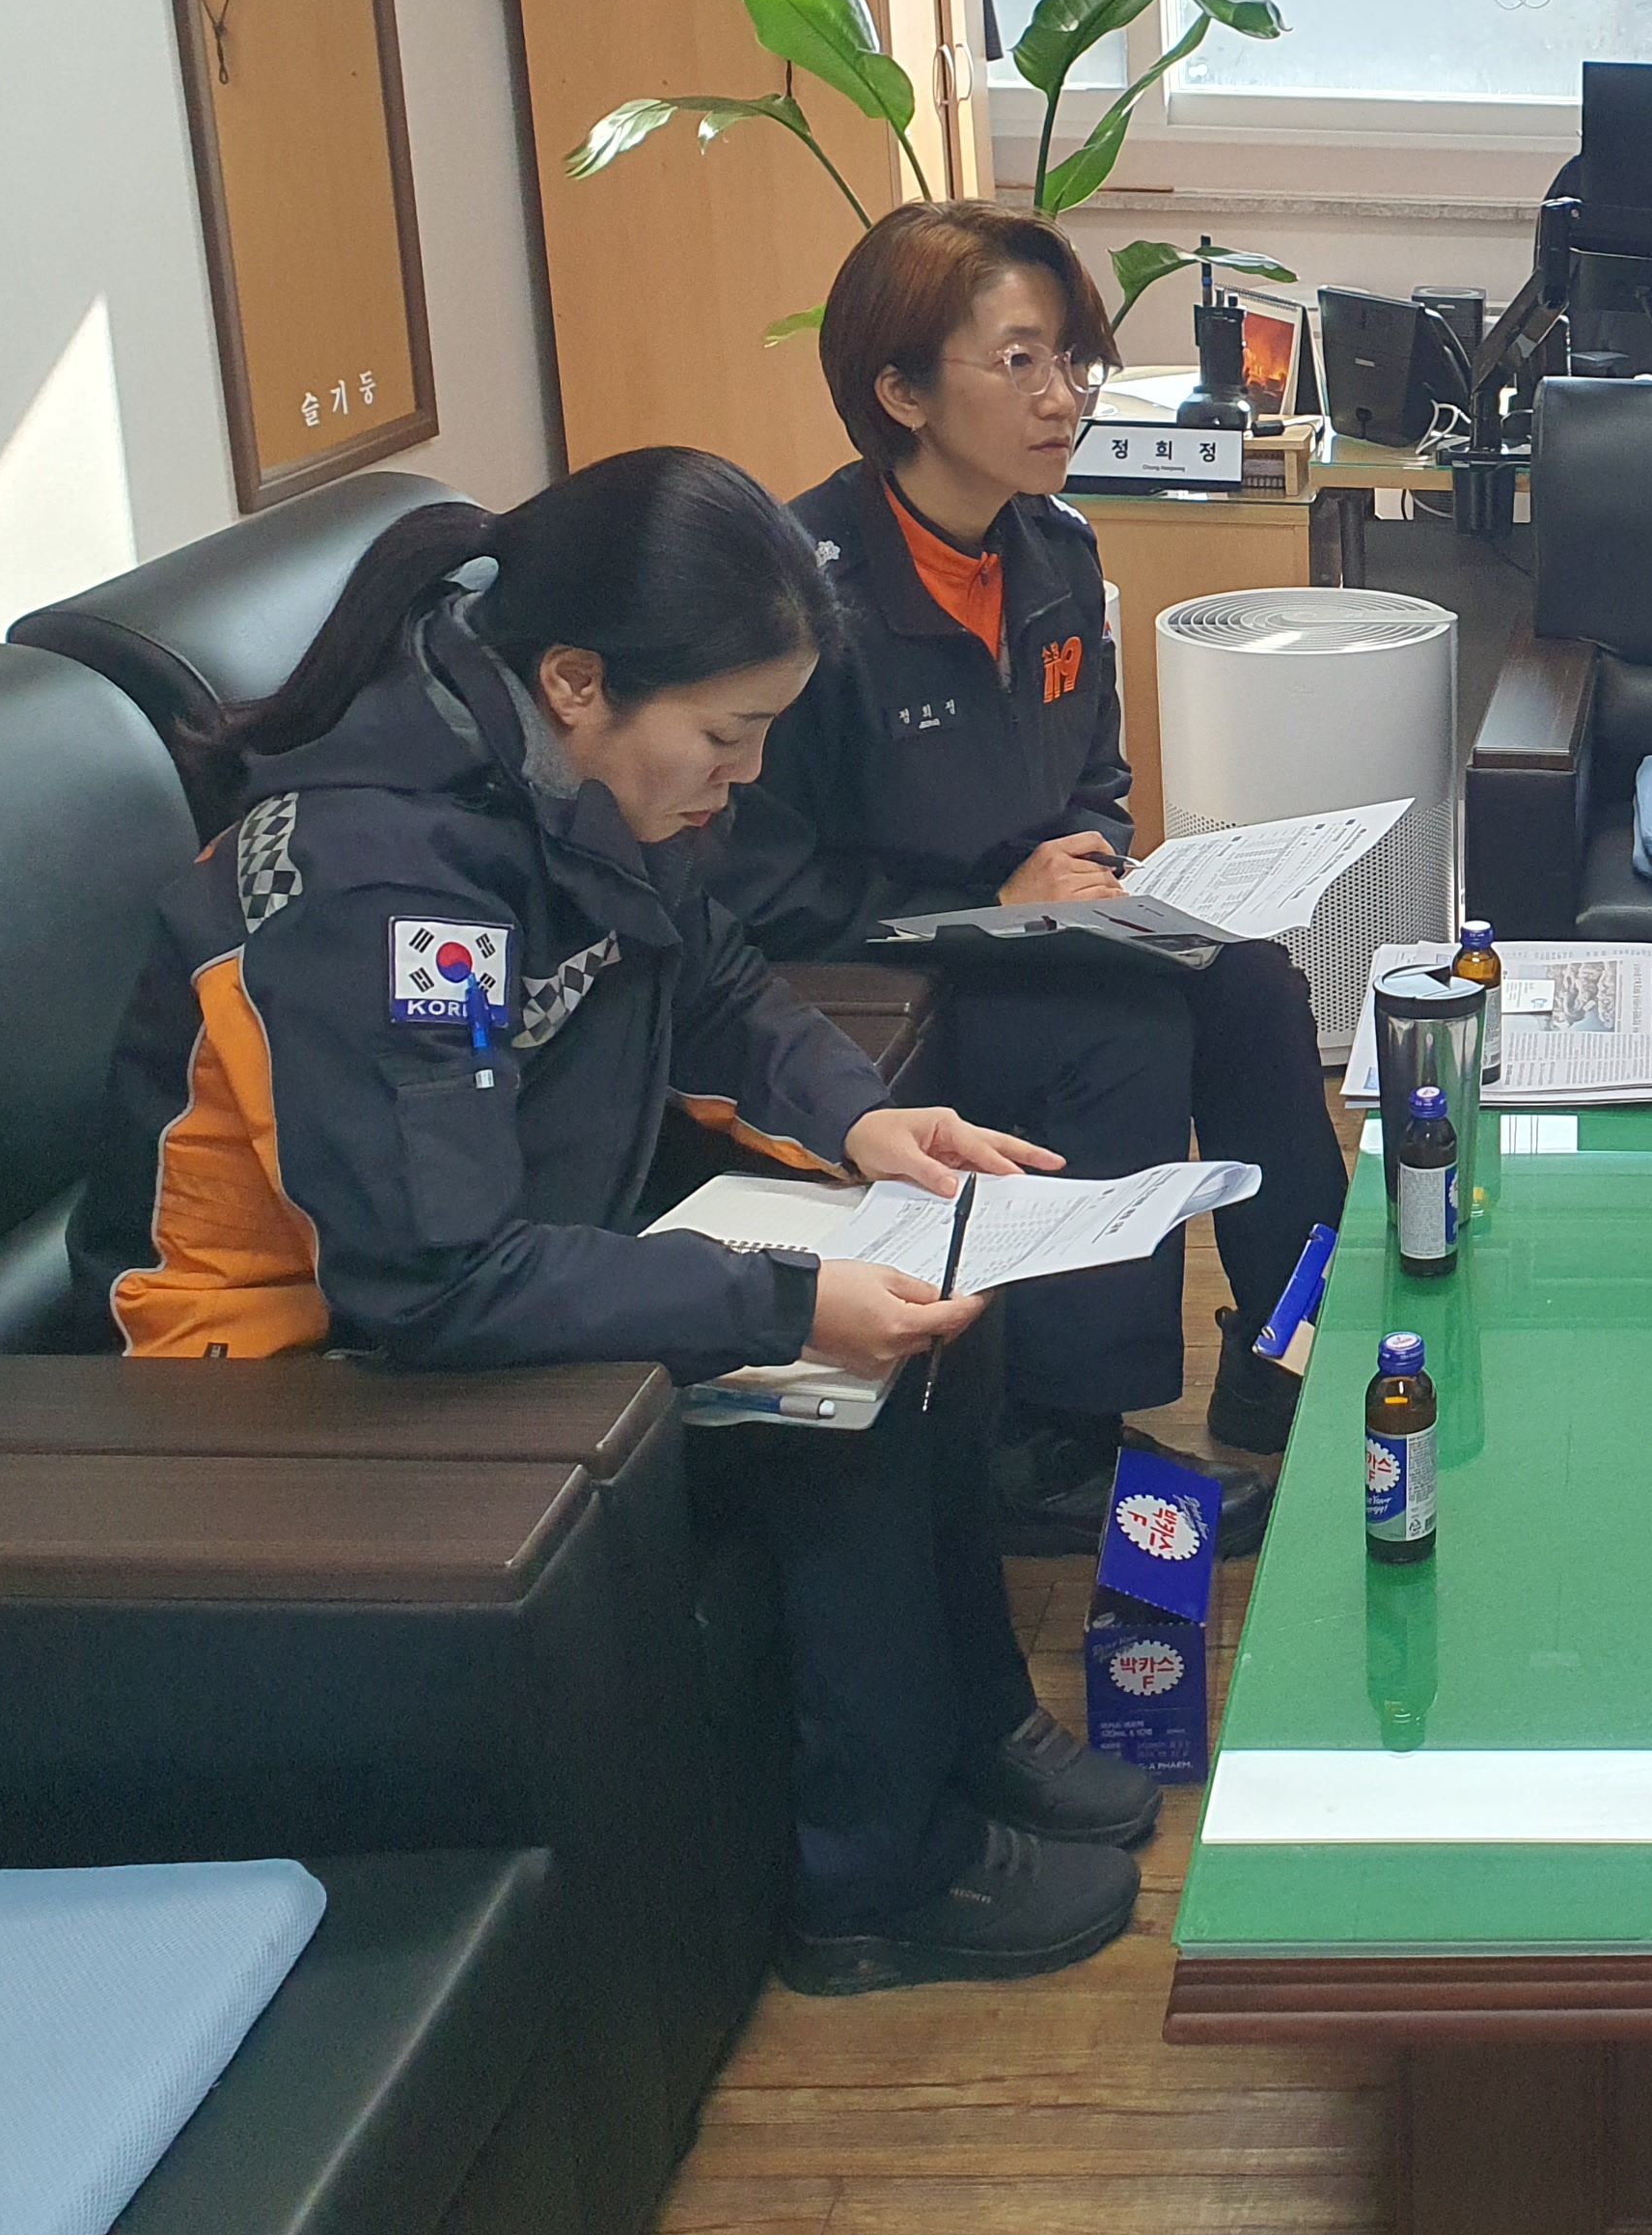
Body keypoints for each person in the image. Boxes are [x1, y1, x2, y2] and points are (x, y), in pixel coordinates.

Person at [70, 448, 1168, 1993]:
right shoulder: (386, 893)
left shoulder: (565, 767)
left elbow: (704, 975)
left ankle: (976, 1729)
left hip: (490, 1229)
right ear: (578, 683)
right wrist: (781, 1305)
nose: (746, 776)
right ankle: (879, 1886)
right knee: (837, 1398)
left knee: (937, 1307)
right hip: (282, 1371)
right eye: (728, 736)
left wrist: (860, 1120)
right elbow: (432, 1280)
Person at [717, 201, 1347, 1555]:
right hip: (876, 973)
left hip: (1033, 927)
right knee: (1119, 1034)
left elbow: (1092, 774)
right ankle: (1056, 1442)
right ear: (901, 392)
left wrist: (1091, 860)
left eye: (1072, 359)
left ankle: (1290, 1346)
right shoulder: (803, 594)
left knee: (1250, 982)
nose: (1063, 396)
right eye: (1020, 363)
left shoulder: (1052, 548)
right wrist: (992, 907)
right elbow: (757, 886)